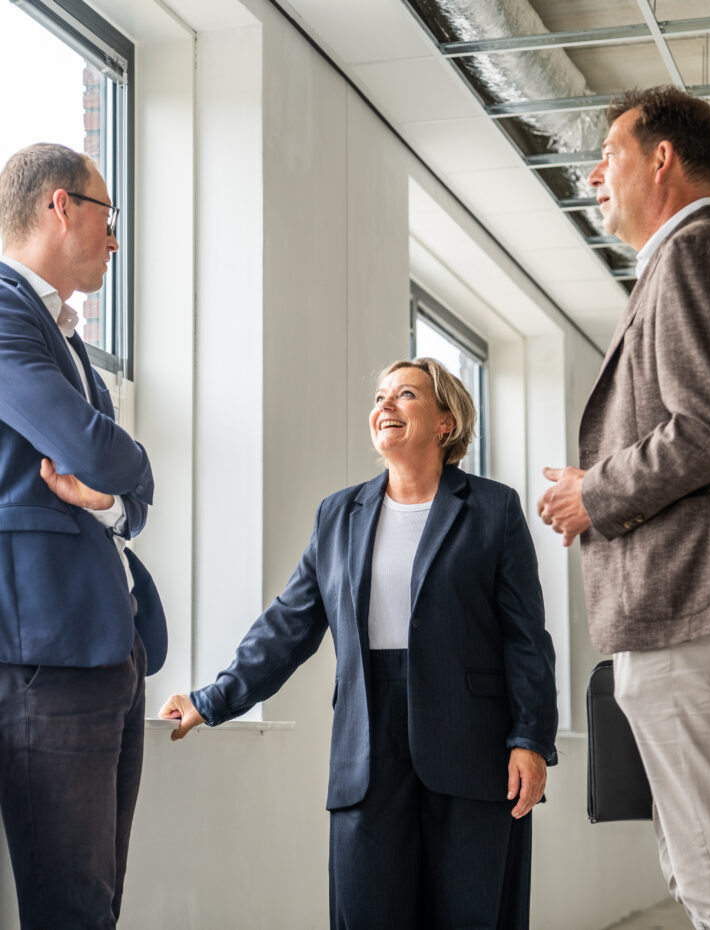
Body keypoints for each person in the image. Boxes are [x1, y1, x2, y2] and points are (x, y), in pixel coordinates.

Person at [161, 357, 558, 929]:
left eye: (406, 395)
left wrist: (531, 739)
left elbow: (527, 639)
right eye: (379, 397)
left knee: (473, 912)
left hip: (473, 746)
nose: (385, 406)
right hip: (368, 745)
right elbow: (289, 624)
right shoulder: (339, 515)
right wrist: (212, 698)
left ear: (447, 422)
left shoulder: (492, 510)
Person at [538, 86, 710, 929]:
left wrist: (595, 491)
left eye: (608, 156)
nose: (591, 177)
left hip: (693, 611)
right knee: (707, 875)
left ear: (661, 159)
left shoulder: (695, 255)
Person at [0, 143, 166, 929]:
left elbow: (128, 495)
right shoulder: (2, 307)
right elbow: (103, 453)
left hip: (103, 653)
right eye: (108, 217)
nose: (114, 240)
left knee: (95, 903)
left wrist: (112, 498)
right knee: (70, 909)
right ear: (60, 206)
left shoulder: (60, 333)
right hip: (46, 654)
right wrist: (125, 464)